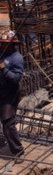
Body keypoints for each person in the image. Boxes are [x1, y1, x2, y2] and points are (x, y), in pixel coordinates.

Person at [0, 30, 25, 162]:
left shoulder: (17, 58)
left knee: (8, 123)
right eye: (2, 44)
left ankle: (17, 150)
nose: (3, 46)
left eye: (6, 44)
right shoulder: (1, 52)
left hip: (10, 94)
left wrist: (3, 68)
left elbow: (15, 78)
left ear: (13, 45)